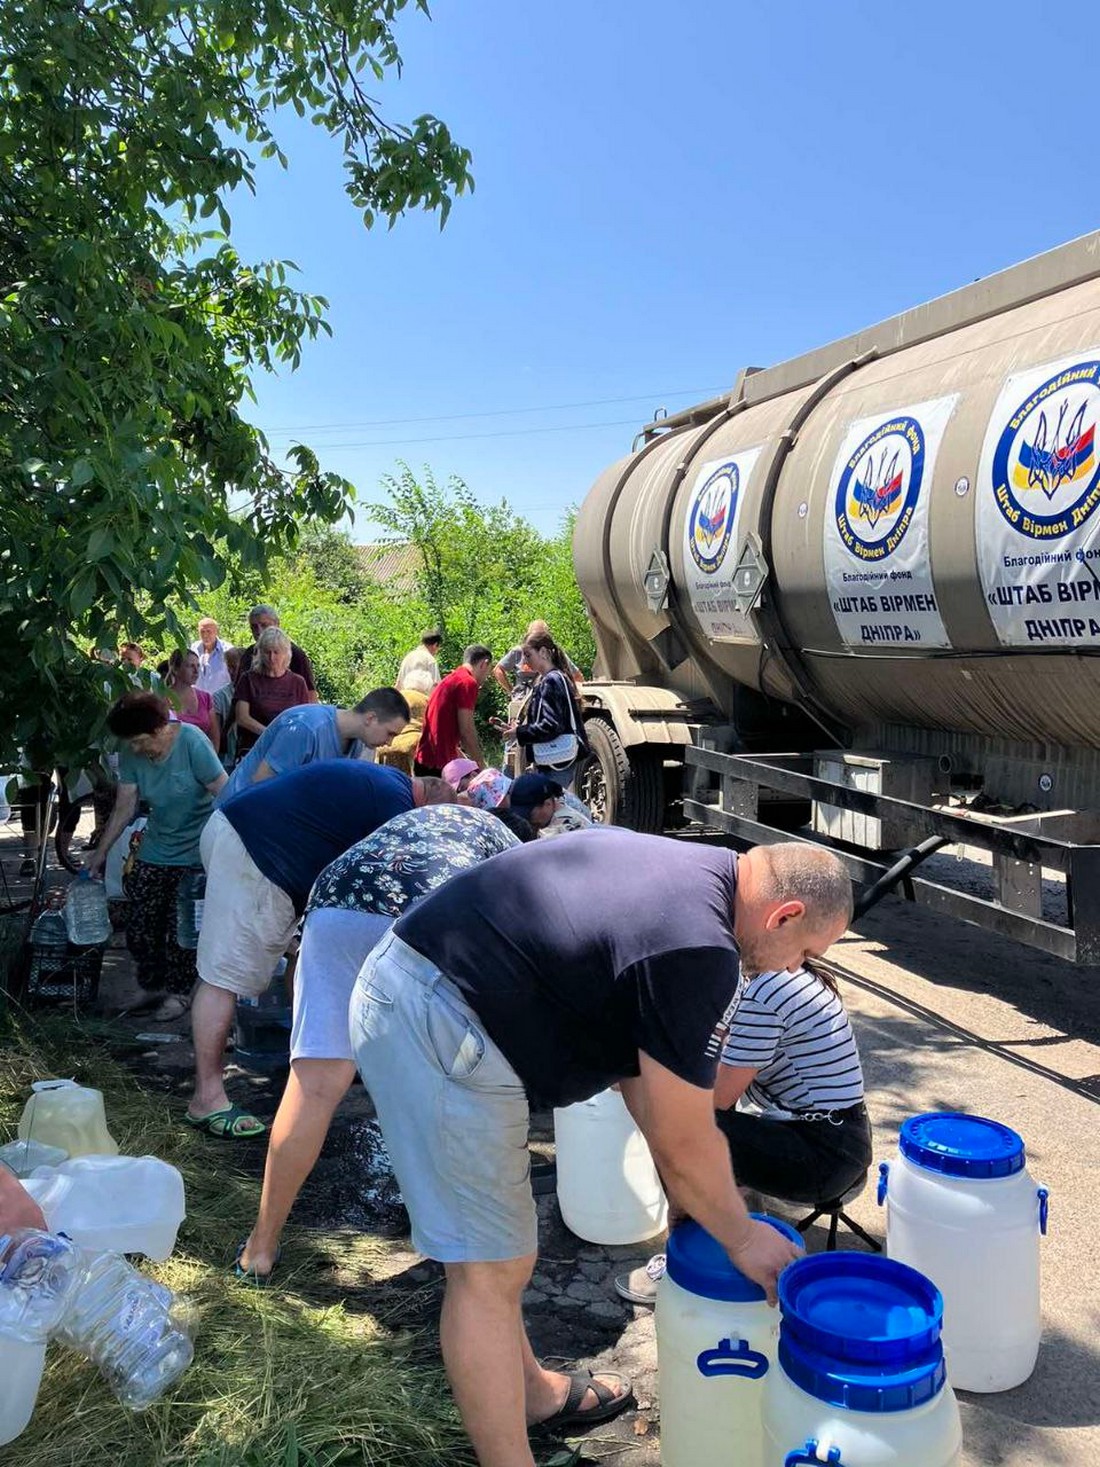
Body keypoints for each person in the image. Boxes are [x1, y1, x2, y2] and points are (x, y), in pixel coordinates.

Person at [349, 832, 851, 1466]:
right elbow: (686, 1132)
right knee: (486, 1269)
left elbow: (647, 1082)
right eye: (804, 951)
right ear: (785, 915)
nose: (793, 969)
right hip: (436, 1014)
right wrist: (743, 1237)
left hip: (428, 992)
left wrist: (688, 1197)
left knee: (500, 1258)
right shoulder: (701, 947)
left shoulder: (696, 880)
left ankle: (531, 1394)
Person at [236, 803, 521, 1280]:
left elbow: (308, 970)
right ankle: (457, 1245)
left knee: (313, 1088)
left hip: (335, 907)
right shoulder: (508, 848)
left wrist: (318, 1039)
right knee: (446, 1080)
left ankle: (259, 1249)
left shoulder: (424, 820)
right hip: (424, 914)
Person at [189, 760, 455, 1139]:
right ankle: (207, 1098)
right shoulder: (395, 807)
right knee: (222, 978)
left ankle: (309, 1059)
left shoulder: (388, 783)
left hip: (255, 843)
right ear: (426, 805)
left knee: (305, 954)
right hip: (257, 853)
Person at [615, 960, 873, 1305]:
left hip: (824, 1157)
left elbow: (715, 1096)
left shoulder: (765, 989)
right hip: (843, 1139)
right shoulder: (776, 974)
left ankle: (690, 1253)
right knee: (699, 1113)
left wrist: (641, 1074)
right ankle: (727, 1219)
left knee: (679, 1122)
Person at [85, 692, 226, 1021]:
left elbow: (225, 792)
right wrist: (100, 854)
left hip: (196, 851)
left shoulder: (192, 742)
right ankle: (150, 987)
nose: (133, 749)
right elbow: (124, 807)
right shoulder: (132, 752)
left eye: (138, 741)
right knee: (142, 922)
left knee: (181, 929)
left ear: (161, 729)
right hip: (157, 845)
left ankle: (179, 994)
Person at [218, 688, 410, 804]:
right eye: (390, 733)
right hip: (237, 816)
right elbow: (262, 782)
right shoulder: (306, 727)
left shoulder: (364, 743)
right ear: (371, 718)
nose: (390, 743)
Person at [494, 621, 583, 775]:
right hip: (522, 706)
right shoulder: (551, 679)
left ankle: (510, 788)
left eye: (528, 655)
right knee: (511, 754)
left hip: (556, 761)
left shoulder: (551, 681)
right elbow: (498, 669)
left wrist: (520, 732)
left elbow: (550, 726)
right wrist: (511, 693)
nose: (525, 661)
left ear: (543, 651)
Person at [414, 645, 494, 777]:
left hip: (424, 759)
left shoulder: (449, 680)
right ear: (484, 664)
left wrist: (467, 762)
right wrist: (481, 767)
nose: (486, 677)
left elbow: (441, 730)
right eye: (489, 671)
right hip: (438, 765)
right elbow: (466, 731)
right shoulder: (468, 682)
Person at [233, 627, 311, 756]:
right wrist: (270, 734)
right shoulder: (248, 679)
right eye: (267, 652)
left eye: (276, 652)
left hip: (287, 749)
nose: (271, 657)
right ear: (260, 653)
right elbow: (242, 718)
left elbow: (304, 718)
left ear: (286, 653)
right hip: (253, 749)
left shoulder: (298, 682)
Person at [237, 605, 318, 701]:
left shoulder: (295, 654)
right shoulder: (248, 655)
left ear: (277, 624)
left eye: (264, 625)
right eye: (254, 627)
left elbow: (310, 694)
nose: (259, 631)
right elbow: (238, 692)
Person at [375, 669, 434, 776]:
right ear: (427, 686)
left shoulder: (394, 697)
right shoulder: (428, 701)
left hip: (386, 744)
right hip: (414, 745)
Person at [164, 649, 221, 747]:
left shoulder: (205, 698)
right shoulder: (162, 699)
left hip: (203, 757)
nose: (196, 671)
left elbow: (214, 737)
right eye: (190, 666)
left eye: (198, 666)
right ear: (175, 669)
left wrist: (211, 760)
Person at [508, 771, 593, 834]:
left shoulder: (564, 828)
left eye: (529, 814)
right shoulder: (560, 809)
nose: (527, 820)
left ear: (547, 804)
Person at [212, 645, 243, 766]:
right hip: (229, 760)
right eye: (229, 667)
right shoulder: (219, 696)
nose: (231, 672)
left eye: (234, 667)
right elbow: (217, 732)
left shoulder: (258, 692)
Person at [191, 618, 232, 695]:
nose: (205, 635)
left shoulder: (227, 650)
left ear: (216, 631)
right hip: (197, 699)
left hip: (219, 700)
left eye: (208, 631)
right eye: (202, 632)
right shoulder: (193, 648)